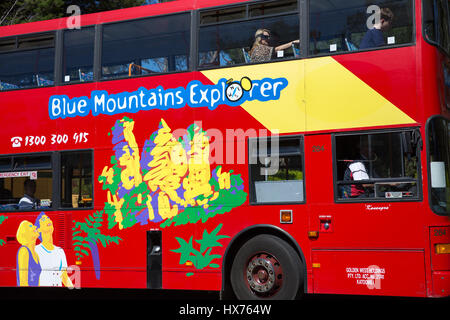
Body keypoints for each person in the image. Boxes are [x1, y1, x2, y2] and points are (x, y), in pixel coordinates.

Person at [34, 212, 73, 287]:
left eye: (48, 218)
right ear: (39, 229)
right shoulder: (36, 250)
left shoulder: (60, 251)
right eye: (43, 219)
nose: (48, 220)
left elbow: (64, 277)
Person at [16, 220, 41, 286]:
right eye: (30, 226)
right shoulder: (24, 250)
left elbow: (38, 282)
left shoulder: (36, 255)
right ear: (25, 233)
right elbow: (23, 282)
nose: (35, 227)